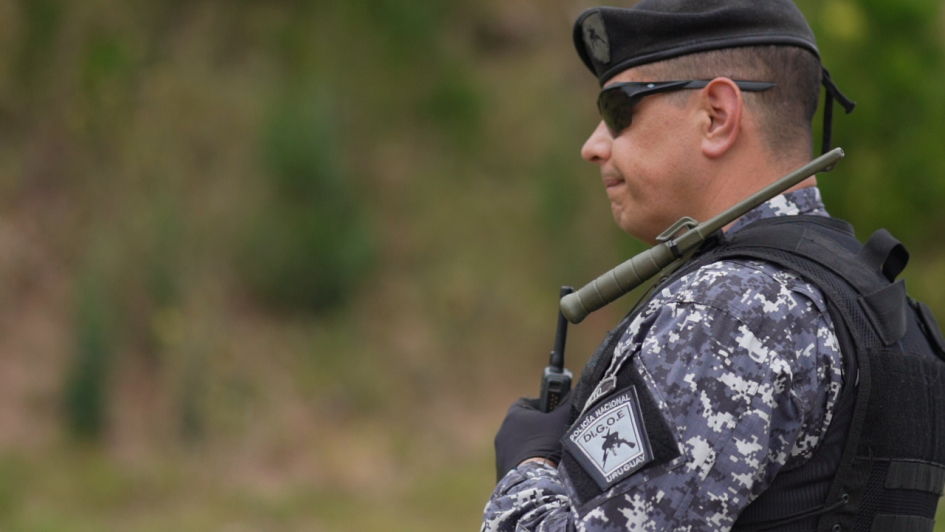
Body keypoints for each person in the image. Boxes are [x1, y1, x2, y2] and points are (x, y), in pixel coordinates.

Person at [482, 1, 945, 531]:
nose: (593, 145)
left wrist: (527, 468)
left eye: (618, 112)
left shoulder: (730, 312)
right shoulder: (882, 309)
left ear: (717, 115)